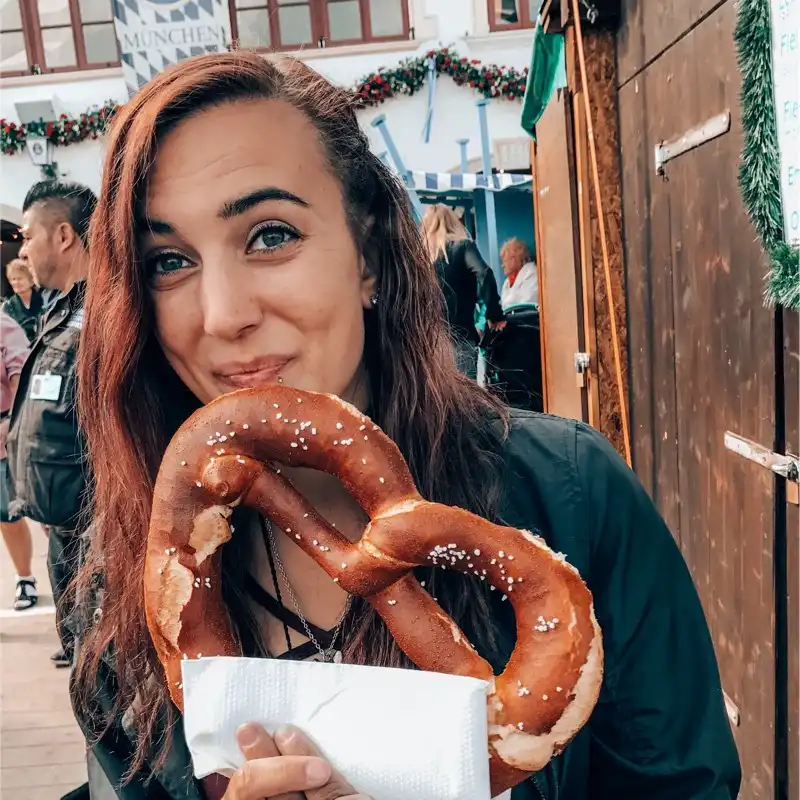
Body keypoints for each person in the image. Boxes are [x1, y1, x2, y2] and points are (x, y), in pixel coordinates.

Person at [72, 53, 740, 800]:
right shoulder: (120, 578)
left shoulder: (571, 493)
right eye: (168, 261)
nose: (224, 315)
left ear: (367, 254)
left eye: (270, 235)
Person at [6, 179, 96, 669]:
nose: (22, 250)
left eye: (27, 236)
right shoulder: (64, 306)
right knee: (86, 671)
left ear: (63, 235)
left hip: (97, 538)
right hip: (66, 532)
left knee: (105, 679)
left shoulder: (107, 311)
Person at [421, 204, 504, 378]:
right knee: (464, 390)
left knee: (435, 391)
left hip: (429, 341)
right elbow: (484, 273)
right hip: (461, 337)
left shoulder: (421, 256)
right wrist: (494, 314)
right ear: (453, 222)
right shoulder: (463, 246)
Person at [0, 310, 38, 610]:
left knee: (8, 515)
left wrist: (10, 422)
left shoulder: (4, 326)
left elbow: (22, 373)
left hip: (3, 433)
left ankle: (25, 577)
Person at [2, 258, 45, 342]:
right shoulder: (7, 307)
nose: (16, 282)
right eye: (13, 279)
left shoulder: (44, 300)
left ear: (31, 280)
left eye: (20, 278)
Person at [499, 238, 538, 311]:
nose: (502, 265)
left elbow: (528, 305)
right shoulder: (507, 282)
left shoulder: (532, 274)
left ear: (514, 259)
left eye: (504, 261)